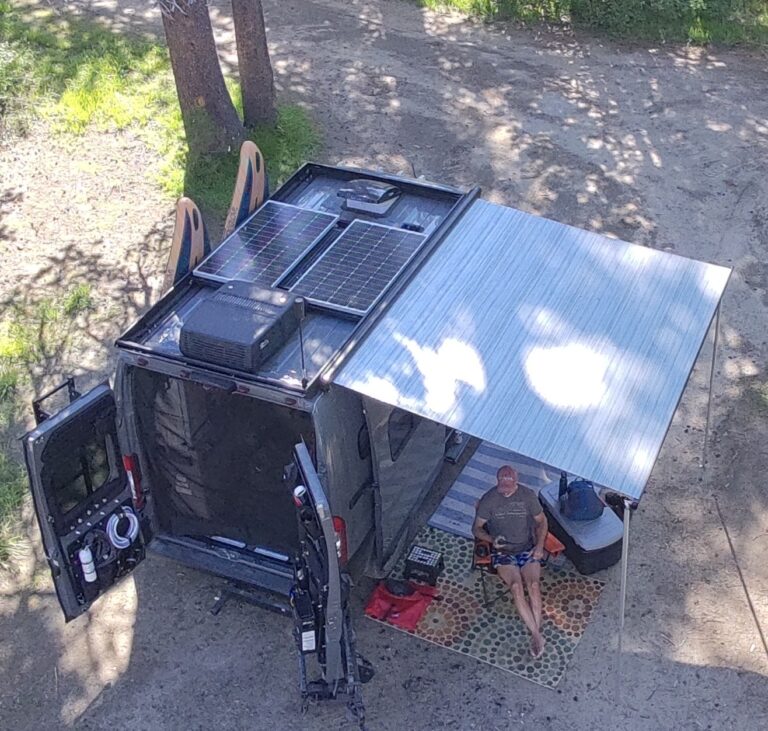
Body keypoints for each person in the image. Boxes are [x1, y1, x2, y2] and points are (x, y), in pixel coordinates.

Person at [472, 465, 548, 658]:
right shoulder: (489, 500)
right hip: (503, 551)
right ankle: (537, 636)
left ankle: (535, 635)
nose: (504, 491)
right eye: (501, 486)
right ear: (497, 481)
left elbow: (542, 521)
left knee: (532, 585)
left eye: (508, 487)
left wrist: (539, 547)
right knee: (516, 587)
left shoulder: (527, 496)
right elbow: (477, 529)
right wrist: (491, 540)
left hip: (526, 546)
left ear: (516, 481)